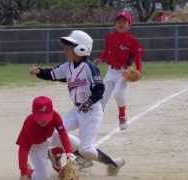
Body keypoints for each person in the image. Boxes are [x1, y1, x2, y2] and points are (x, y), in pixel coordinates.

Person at [29, 30, 125, 175]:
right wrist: (38, 72)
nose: (65, 49)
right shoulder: (68, 66)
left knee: (86, 149)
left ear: (81, 49)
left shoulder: (89, 67)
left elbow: (100, 88)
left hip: (92, 112)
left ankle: (112, 163)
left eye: (69, 46)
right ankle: (62, 153)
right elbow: (52, 74)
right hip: (77, 111)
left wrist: (89, 102)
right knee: (53, 132)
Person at [95, 10, 144, 130]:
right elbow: (106, 50)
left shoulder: (133, 41)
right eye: (118, 21)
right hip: (111, 71)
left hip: (123, 72)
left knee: (118, 94)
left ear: (129, 25)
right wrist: (101, 59)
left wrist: (138, 70)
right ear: (115, 24)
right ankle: (94, 121)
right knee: (102, 97)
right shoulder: (110, 37)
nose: (121, 24)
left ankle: (122, 115)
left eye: (124, 21)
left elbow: (138, 57)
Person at [16, 96, 74, 180]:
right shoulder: (29, 123)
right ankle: (30, 172)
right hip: (37, 145)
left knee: (76, 144)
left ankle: (54, 152)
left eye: (45, 117)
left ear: (52, 111)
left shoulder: (55, 116)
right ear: (33, 113)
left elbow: (63, 133)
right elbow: (23, 149)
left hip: (49, 137)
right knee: (44, 177)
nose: (42, 121)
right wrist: (23, 172)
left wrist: (69, 153)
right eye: (39, 117)